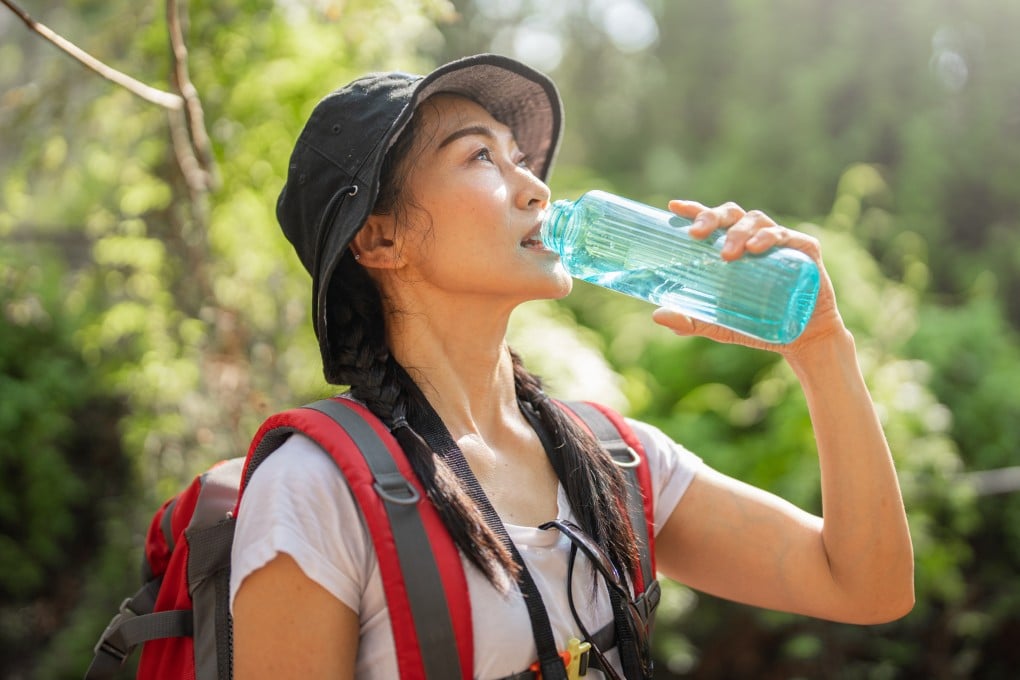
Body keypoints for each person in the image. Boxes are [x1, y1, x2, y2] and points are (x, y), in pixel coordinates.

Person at [229, 54, 914, 679]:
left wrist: (823, 349)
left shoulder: (615, 461)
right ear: (380, 238)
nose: (536, 188)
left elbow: (867, 586)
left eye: (521, 157)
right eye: (480, 156)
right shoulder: (315, 494)